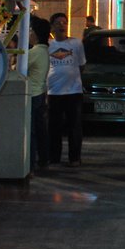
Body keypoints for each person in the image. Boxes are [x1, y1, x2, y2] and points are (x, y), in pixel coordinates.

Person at [47, 12, 85, 167]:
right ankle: (54, 156)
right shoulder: (48, 45)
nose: (62, 25)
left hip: (73, 92)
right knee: (54, 127)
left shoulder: (76, 44)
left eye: (64, 22)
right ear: (52, 27)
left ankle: (74, 157)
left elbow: (82, 65)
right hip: (54, 92)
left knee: (74, 126)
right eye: (58, 23)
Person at [27, 16, 51, 173]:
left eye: (30, 30)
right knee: (41, 130)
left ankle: (30, 163)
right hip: (41, 93)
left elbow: (18, 67)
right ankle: (43, 160)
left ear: (35, 34)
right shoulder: (44, 51)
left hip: (33, 94)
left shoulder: (34, 52)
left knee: (32, 131)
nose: (29, 33)